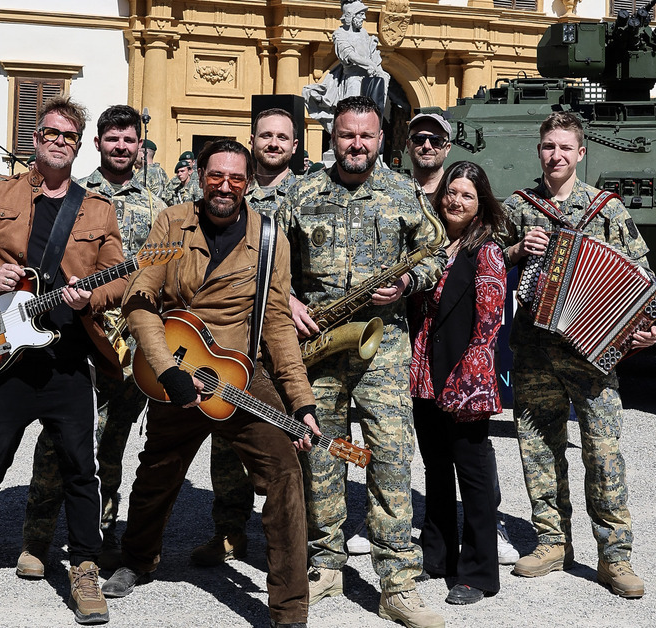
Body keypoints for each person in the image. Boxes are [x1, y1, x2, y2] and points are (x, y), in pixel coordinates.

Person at [100, 139, 321, 628]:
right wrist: (167, 370)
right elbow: (140, 299)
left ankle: (290, 610)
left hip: (240, 374)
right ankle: (137, 559)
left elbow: (278, 325)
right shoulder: (171, 223)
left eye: (236, 178)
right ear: (200, 176)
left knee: (284, 474)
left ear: (248, 183)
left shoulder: (270, 238)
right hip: (177, 366)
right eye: (215, 176)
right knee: (158, 470)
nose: (225, 186)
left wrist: (301, 401)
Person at [0, 93, 125, 625]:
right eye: (51, 134)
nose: (58, 142)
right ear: (36, 139)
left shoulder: (97, 209)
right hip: (6, 358)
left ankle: (84, 567)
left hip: (67, 361)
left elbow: (120, 279)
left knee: (80, 470)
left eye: (69, 136)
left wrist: (89, 298)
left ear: (79, 145)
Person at [280, 95, 447, 628]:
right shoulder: (300, 192)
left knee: (389, 458)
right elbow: (271, 263)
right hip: (318, 344)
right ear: (333, 137)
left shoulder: (403, 191)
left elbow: (436, 253)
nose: (356, 144)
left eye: (366, 136)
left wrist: (408, 281)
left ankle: (397, 582)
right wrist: (289, 301)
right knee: (322, 453)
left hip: (384, 348)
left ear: (380, 139)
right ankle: (325, 563)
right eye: (347, 134)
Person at [501, 111, 656, 599]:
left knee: (603, 453)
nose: (556, 155)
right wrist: (515, 251)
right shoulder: (517, 208)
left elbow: (644, 277)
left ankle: (615, 557)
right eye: (549, 146)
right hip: (534, 352)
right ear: (539, 150)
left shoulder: (606, 210)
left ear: (580, 153)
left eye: (565, 147)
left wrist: (646, 327)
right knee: (538, 448)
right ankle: (552, 542)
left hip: (593, 354)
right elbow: (482, 261)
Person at [17, 104, 166, 577]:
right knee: (56, 440)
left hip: (130, 348)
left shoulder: (159, 207)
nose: (121, 147)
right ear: (97, 143)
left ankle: (99, 535)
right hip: (77, 337)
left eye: (129, 139)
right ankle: (37, 539)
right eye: (112, 138)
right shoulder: (73, 195)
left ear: (140, 146)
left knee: (112, 445)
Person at [406, 113, 519, 567]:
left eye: (467, 195)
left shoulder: (486, 250)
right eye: (451, 192)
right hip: (424, 373)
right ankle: (437, 557)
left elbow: (488, 328)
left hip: (463, 375)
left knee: (471, 472)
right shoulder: (428, 245)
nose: (456, 200)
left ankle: (479, 570)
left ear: (480, 203)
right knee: (435, 468)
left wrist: (465, 380)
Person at [189, 106, 299, 568]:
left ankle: (294, 550)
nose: (273, 143)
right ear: (252, 142)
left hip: (283, 334)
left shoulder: (307, 192)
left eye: (282, 137)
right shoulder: (211, 194)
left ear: (295, 146)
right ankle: (229, 530)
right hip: (223, 347)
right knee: (224, 448)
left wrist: (290, 298)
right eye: (265, 135)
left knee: (283, 452)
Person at [302, 1, 390, 132]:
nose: (364, 17)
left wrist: (378, 68)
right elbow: (350, 55)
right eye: (360, 14)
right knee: (351, 114)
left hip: (368, 79)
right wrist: (369, 64)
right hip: (352, 80)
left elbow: (370, 54)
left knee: (372, 113)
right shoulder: (340, 34)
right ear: (351, 15)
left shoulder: (363, 33)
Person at [406, 113, 453, 207]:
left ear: (447, 148)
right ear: (408, 145)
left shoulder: (456, 195)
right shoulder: (395, 191)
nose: (427, 146)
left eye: (436, 140)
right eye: (419, 139)